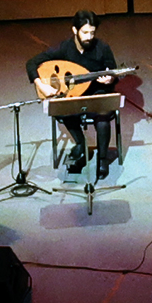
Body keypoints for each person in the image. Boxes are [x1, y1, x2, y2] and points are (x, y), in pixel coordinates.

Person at [26, 10, 121, 179]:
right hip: (73, 95)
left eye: (92, 33)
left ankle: (102, 159)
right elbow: (31, 63)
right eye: (85, 32)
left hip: (96, 92)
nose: (89, 37)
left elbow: (112, 72)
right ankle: (81, 144)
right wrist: (42, 85)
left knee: (103, 114)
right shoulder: (64, 47)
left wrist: (110, 79)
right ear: (75, 30)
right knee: (62, 109)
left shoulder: (102, 48)